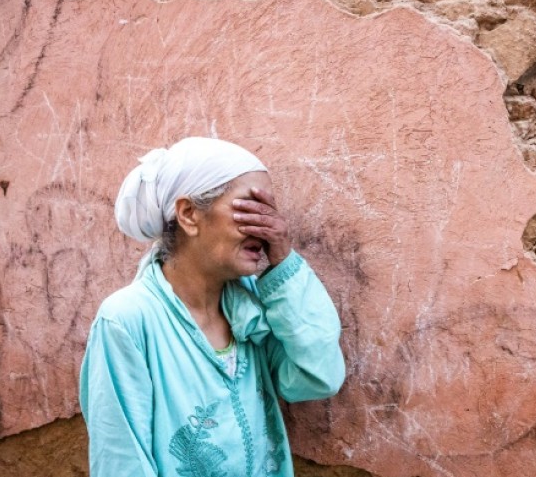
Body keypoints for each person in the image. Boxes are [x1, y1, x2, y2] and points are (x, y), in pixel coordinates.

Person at [79, 137, 345, 477]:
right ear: (189, 215)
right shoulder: (126, 321)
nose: (266, 229)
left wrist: (283, 261)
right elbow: (121, 462)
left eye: (269, 211)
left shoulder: (249, 311)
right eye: (249, 209)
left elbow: (318, 376)